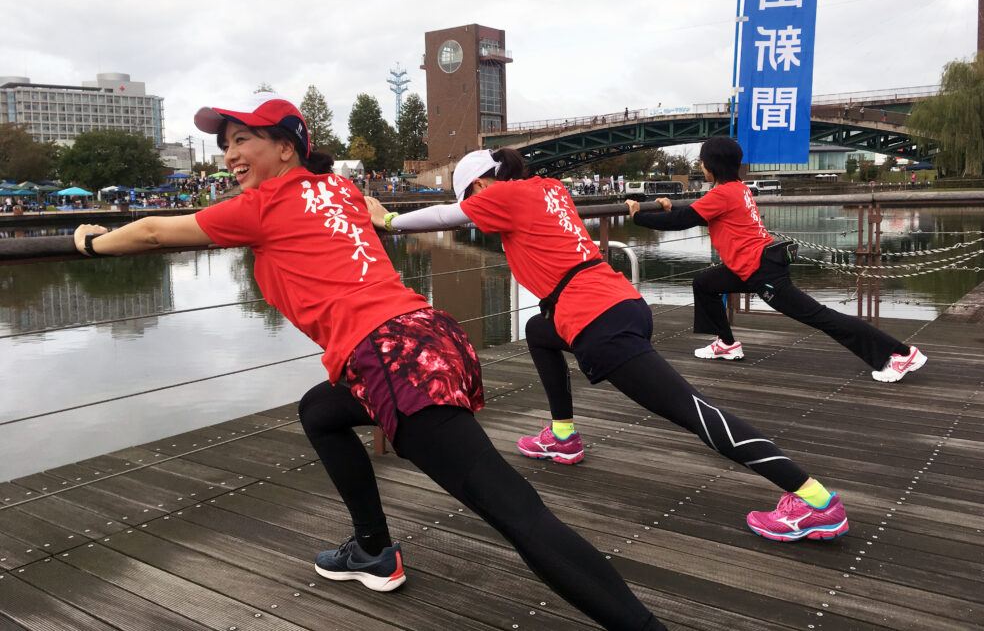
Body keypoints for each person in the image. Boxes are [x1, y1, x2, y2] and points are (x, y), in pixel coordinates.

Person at [72, 94, 665, 631]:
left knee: (517, 512)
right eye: (225, 144)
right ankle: (373, 549)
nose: (229, 154)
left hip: (392, 357)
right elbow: (366, 211)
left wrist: (91, 241)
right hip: (429, 338)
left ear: (285, 147)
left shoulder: (264, 204)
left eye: (242, 141)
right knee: (321, 411)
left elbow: (151, 232)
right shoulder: (340, 191)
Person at [367, 147, 850, 543]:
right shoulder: (548, 189)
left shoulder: (500, 196)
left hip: (599, 320)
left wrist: (387, 219)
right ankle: (561, 436)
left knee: (694, 412)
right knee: (539, 333)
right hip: (619, 300)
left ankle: (813, 499)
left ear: (478, 187)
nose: (476, 210)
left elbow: (444, 217)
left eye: (471, 198)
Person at [626, 136, 926, 384]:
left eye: (702, 162)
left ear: (711, 165)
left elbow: (684, 221)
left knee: (820, 316)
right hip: (753, 264)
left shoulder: (723, 194)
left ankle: (899, 354)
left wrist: (639, 216)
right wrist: (667, 210)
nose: (701, 166)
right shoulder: (735, 190)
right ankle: (727, 344)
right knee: (704, 283)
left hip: (760, 270)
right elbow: (700, 216)